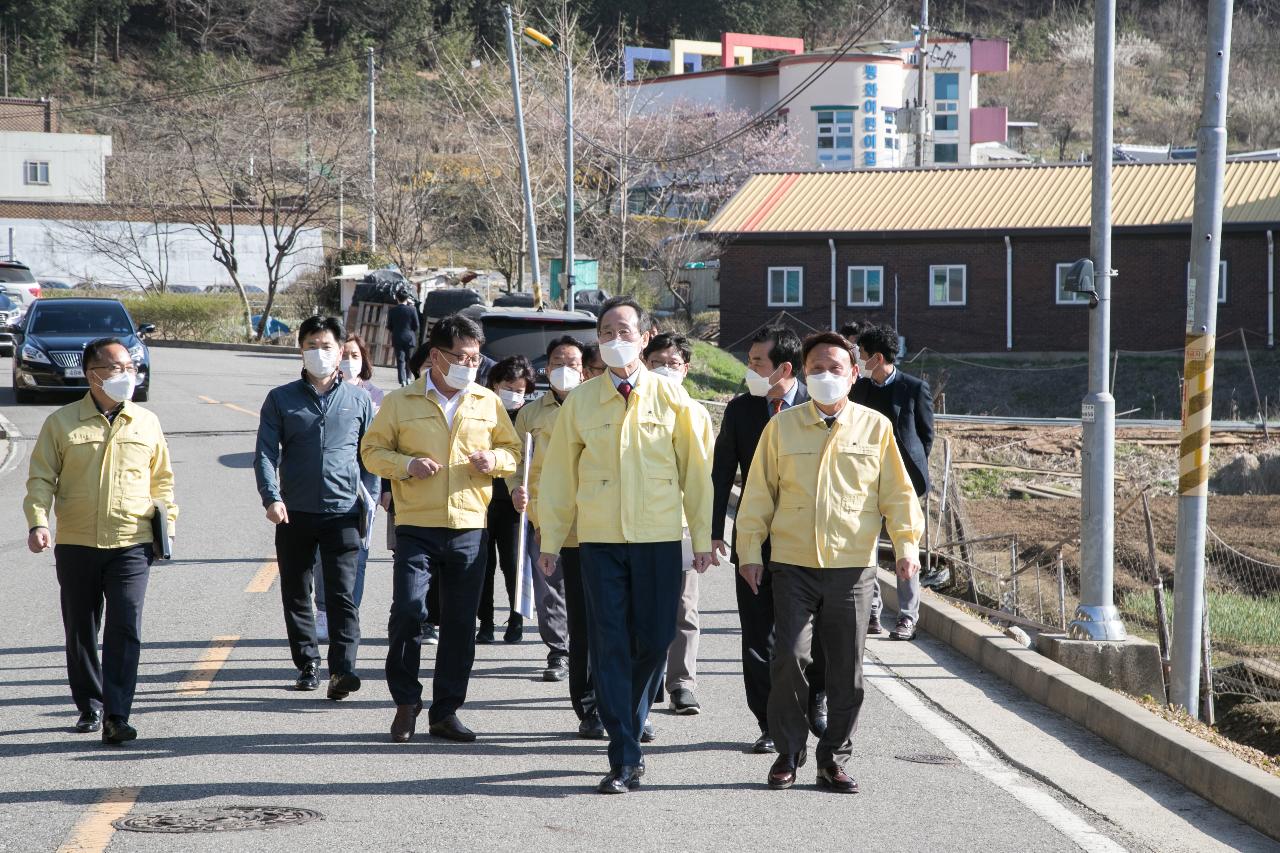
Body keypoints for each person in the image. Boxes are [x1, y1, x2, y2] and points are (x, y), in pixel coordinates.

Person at [537, 297, 715, 795]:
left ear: (644, 335)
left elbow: (697, 477)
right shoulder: (581, 402)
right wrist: (551, 538)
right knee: (609, 644)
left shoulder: (676, 400)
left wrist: (701, 538)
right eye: (607, 331)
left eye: (625, 330)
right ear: (598, 339)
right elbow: (557, 479)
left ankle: (629, 728)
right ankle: (624, 753)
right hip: (598, 542)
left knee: (654, 641)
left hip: (659, 540)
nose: (616, 339)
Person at [736, 331, 922, 793]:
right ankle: (788, 752)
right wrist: (748, 552)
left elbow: (898, 494)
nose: (825, 376)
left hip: (852, 565)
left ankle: (833, 757)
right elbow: (758, 494)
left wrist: (906, 546)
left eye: (835, 368)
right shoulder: (781, 427)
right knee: (790, 658)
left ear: (853, 374)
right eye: (816, 368)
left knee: (845, 666)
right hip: (792, 563)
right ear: (802, 371)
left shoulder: (875, 427)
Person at [362, 313, 521, 744]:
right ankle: (406, 704)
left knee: (459, 624)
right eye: (462, 356)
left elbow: (513, 449)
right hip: (417, 524)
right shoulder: (401, 401)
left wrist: (496, 461)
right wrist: (406, 466)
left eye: (476, 357)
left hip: (470, 525)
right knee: (409, 612)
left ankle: (446, 711)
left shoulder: (486, 402)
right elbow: (372, 452)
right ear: (436, 355)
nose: (470, 365)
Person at [23, 337, 178, 745]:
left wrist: (168, 527)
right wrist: (38, 521)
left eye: (130, 367)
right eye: (117, 368)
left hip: (132, 541)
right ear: (93, 375)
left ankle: (117, 713)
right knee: (81, 628)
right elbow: (41, 477)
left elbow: (162, 481)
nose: (127, 375)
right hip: (76, 543)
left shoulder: (147, 422)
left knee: (126, 626)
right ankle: (89, 704)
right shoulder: (61, 423)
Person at [711, 325, 827, 755]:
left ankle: (817, 700)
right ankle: (768, 721)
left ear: (784, 367)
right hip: (754, 540)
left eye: (757, 362)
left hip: (808, 541)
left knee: (810, 635)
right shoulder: (741, 410)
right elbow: (721, 472)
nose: (749, 369)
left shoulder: (820, 407)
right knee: (759, 636)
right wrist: (713, 532)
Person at [255, 316, 373, 699]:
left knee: (341, 595)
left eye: (326, 346)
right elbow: (265, 454)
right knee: (296, 590)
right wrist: (272, 497)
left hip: (343, 512)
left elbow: (370, 455)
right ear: (300, 349)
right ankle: (307, 663)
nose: (319, 353)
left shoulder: (358, 400)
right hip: (295, 512)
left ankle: (343, 670)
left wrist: (371, 500)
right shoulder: (280, 398)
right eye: (311, 345)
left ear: (340, 351)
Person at [508, 337, 586, 708]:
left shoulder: (594, 407)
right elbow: (517, 461)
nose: (565, 368)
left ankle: (585, 648)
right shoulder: (531, 413)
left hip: (591, 512)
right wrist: (514, 491)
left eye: (572, 362)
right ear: (546, 367)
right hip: (544, 512)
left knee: (585, 588)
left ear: (584, 368)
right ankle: (558, 650)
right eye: (558, 361)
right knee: (549, 585)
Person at [641, 332, 714, 715]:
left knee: (684, 608)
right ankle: (648, 680)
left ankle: (681, 683)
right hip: (637, 525)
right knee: (642, 609)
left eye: (673, 363)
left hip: (682, 528)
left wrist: (704, 537)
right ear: (644, 361)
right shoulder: (631, 408)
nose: (665, 369)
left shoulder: (696, 414)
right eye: (657, 362)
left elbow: (703, 481)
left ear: (685, 370)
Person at [852, 323, 938, 641]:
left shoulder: (913, 387)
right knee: (867, 547)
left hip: (902, 482)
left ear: (876, 357)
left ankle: (907, 616)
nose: (858, 359)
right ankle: (872, 611)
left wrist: (909, 472)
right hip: (865, 481)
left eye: (861, 353)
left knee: (907, 548)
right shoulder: (859, 390)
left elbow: (925, 436)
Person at [313, 333, 384, 643]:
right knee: (322, 556)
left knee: (359, 555)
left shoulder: (377, 396)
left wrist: (377, 493)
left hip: (363, 489)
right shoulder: (323, 392)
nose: (349, 362)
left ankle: (348, 612)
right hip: (327, 491)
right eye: (345, 355)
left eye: (356, 356)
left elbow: (381, 449)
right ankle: (325, 611)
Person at [477, 355, 537, 645]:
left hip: (515, 504)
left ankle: (516, 620)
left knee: (513, 564)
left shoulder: (528, 416)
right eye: (508, 386)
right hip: (482, 500)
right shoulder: (482, 410)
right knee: (482, 565)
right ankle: (484, 623)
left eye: (520, 389)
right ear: (495, 384)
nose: (514, 393)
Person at [387, 290, 420, 387]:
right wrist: (410, 331)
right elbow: (416, 325)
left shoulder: (392, 310)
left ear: (396, 298)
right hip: (409, 337)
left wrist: (395, 330)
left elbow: (389, 326)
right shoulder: (412, 310)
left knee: (400, 359)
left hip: (397, 337)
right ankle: (409, 378)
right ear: (407, 298)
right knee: (409, 359)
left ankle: (402, 380)